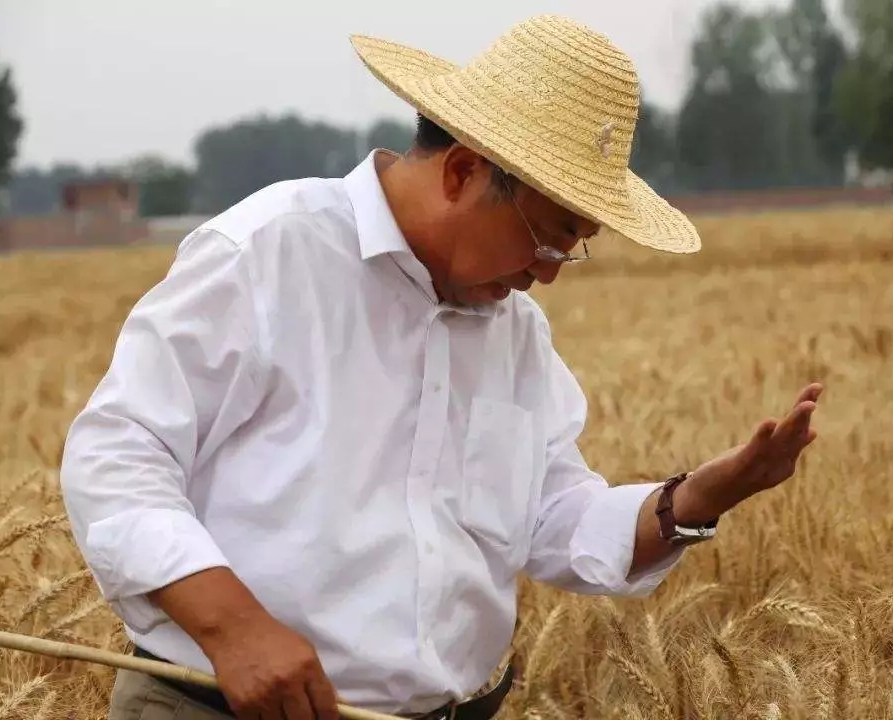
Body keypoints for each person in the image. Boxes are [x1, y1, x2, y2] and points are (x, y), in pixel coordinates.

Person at [59, 14, 823, 720]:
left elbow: (553, 516)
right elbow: (116, 457)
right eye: (548, 235)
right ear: (460, 173)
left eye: (572, 247)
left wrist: (698, 499)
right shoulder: (268, 254)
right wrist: (236, 630)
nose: (549, 272)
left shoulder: (515, 332)